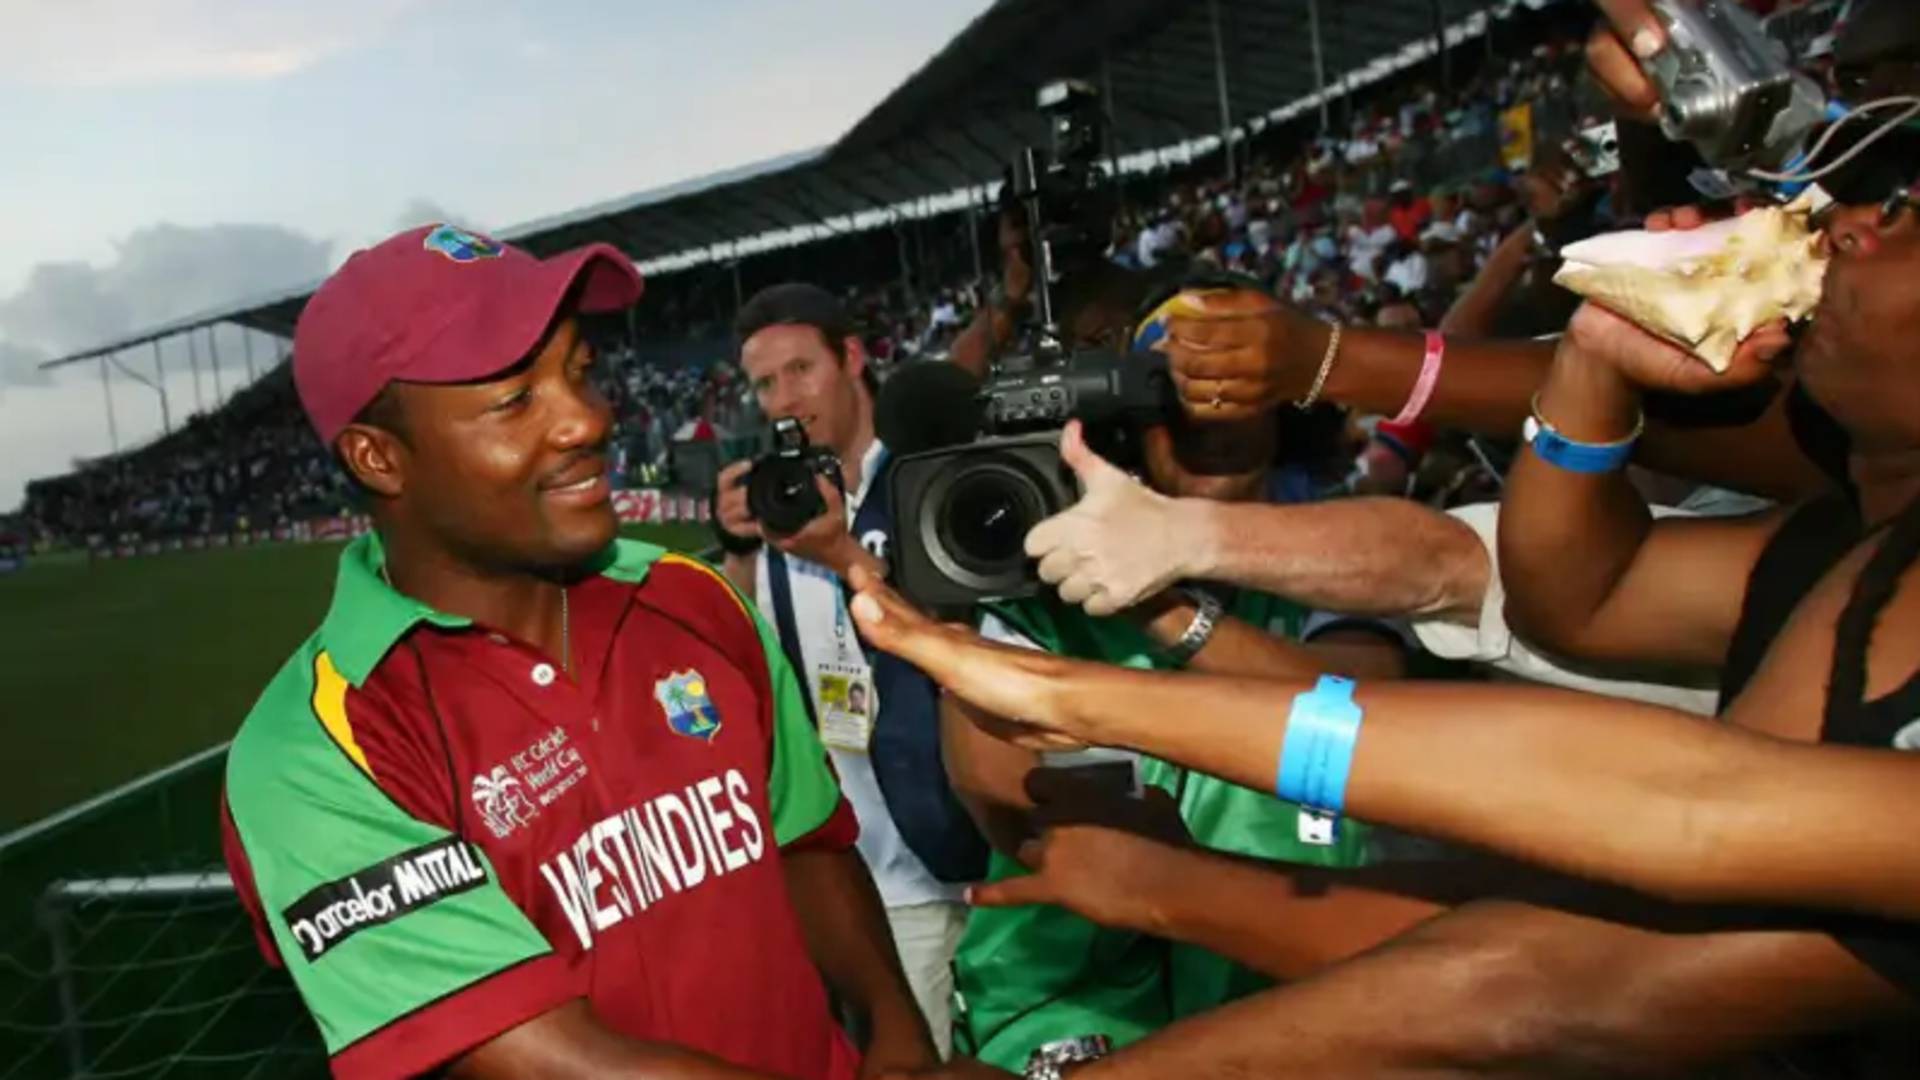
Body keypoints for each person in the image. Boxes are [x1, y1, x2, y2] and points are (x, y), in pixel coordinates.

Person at [850, 170, 1920, 1073]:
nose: (1853, 219)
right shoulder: (1856, 559)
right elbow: (1569, 594)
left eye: (1914, 217)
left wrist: (1101, 694)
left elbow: (1675, 822)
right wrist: (1591, 356)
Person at [219, 225, 936, 1080]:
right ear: (380, 458)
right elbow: (553, 1062)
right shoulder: (317, 750)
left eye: (580, 372)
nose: (589, 418)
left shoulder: (694, 600)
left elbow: (809, 844)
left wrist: (901, 1039)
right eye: (517, 400)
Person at [711, 283, 982, 1059]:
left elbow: (983, 650)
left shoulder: (933, 476)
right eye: (766, 384)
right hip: (877, 878)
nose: (785, 399)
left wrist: (844, 556)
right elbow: (744, 668)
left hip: (983, 842)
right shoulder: (782, 513)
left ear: (853, 358)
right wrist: (734, 548)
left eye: (801, 369)